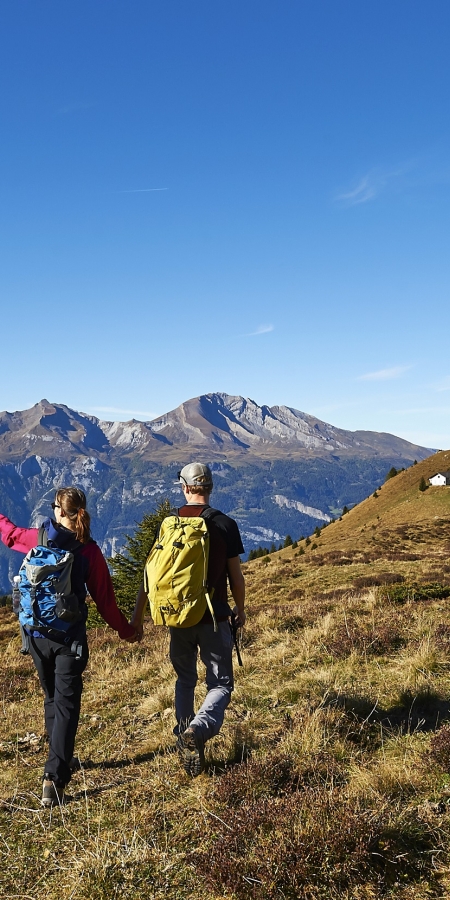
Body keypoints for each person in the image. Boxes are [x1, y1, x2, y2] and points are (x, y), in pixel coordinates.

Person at [0, 487, 140, 807]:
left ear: (59, 511)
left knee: (52, 698)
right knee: (65, 704)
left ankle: (58, 759)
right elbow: (105, 601)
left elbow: (8, 536)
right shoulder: (89, 550)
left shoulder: (36, 538)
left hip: (35, 636)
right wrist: (126, 631)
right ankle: (54, 776)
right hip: (69, 640)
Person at [131, 462, 245, 776]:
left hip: (176, 618)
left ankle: (183, 732)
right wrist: (241, 607)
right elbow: (236, 577)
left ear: (184, 487)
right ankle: (196, 730)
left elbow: (150, 574)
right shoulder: (224, 524)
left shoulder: (169, 524)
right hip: (213, 616)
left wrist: (138, 617)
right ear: (210, 487)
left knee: (185, 679)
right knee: (220, 684)